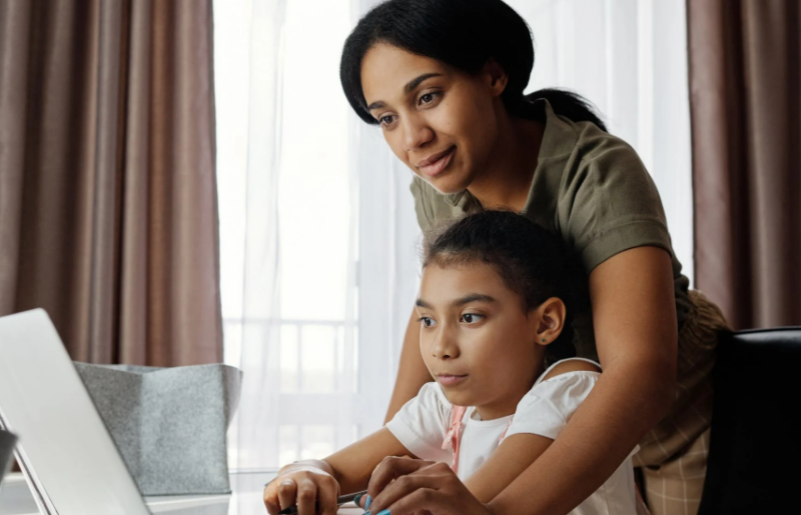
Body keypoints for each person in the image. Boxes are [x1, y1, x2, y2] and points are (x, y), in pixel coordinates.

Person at [337, 1, 730, 514]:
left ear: (494, 75)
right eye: (387, 118)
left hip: (672, 418)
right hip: (545, 425)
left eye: (428, 96)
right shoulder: (437, 180)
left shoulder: (597, 171)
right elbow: (439, 312)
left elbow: (640, 375)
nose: (412, 138)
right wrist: (390, 465)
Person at [263, 211, 643, 515]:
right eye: (428, 321)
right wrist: (306, 473)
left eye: (470, 317)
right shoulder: (445, 405)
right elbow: (334, 469)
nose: (441, 347)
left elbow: (472, 503)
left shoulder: (571, 388)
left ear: (545, 322)